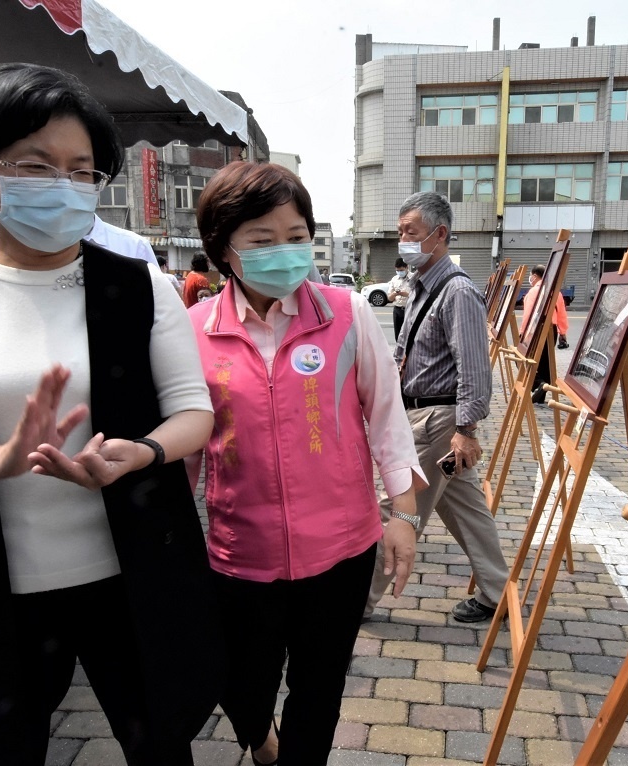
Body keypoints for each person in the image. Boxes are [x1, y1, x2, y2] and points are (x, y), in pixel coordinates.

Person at [0, 63, 222, 765]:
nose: (64, 184)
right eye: (36, 164)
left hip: (134, 578)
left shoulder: (142, 287)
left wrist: (141, 452)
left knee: (159, 743)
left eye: (83, 170)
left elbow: (191, 412)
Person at [188, 161, 423, 766]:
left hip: (342, 549)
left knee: (320, 688)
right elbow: (186, 446)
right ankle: (260, 736)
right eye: (261, 240)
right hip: (241, 553)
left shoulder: (346, 315)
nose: (284, 252)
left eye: (296, 237)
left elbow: (387, 419)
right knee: (239, 683)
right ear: (223, 248)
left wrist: (403, 515)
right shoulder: (192, 331)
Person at [365, 191, 509, 624]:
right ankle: (498, 592)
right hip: (426, 415)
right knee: (464, 507)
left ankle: (357, 600)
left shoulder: (457, 291)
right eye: (400, 232)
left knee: (400, 508)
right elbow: (410, 353)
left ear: (439, 234)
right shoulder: (424, 287)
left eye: (410, 232)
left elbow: (474, 368)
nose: (402, 240)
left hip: (438, 420)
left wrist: (466, 428)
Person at [522, 264, 569, 404]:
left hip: (536, 329)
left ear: (535, 276)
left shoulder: (533, 292)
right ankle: (541, 395)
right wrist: (563, 332)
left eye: (531, 276)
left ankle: (538, 385)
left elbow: (528, 314)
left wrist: (523, 333)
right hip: (552, 330)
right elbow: (562, 314)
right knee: (546, 363)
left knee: (526, 359)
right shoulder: (556, 292)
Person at [386, 257, 413, 341]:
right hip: (397, 309)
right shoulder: (394, 279)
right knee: (398, 336)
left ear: (406, 267)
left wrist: (407, 294)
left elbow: (419, 295)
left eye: (401, 270)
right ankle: (399, 352)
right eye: (398, 270)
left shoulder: (414, 278)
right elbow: (390, 298)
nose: (399, 272)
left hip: (410, 309)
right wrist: (394, 293)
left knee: (409, 335)